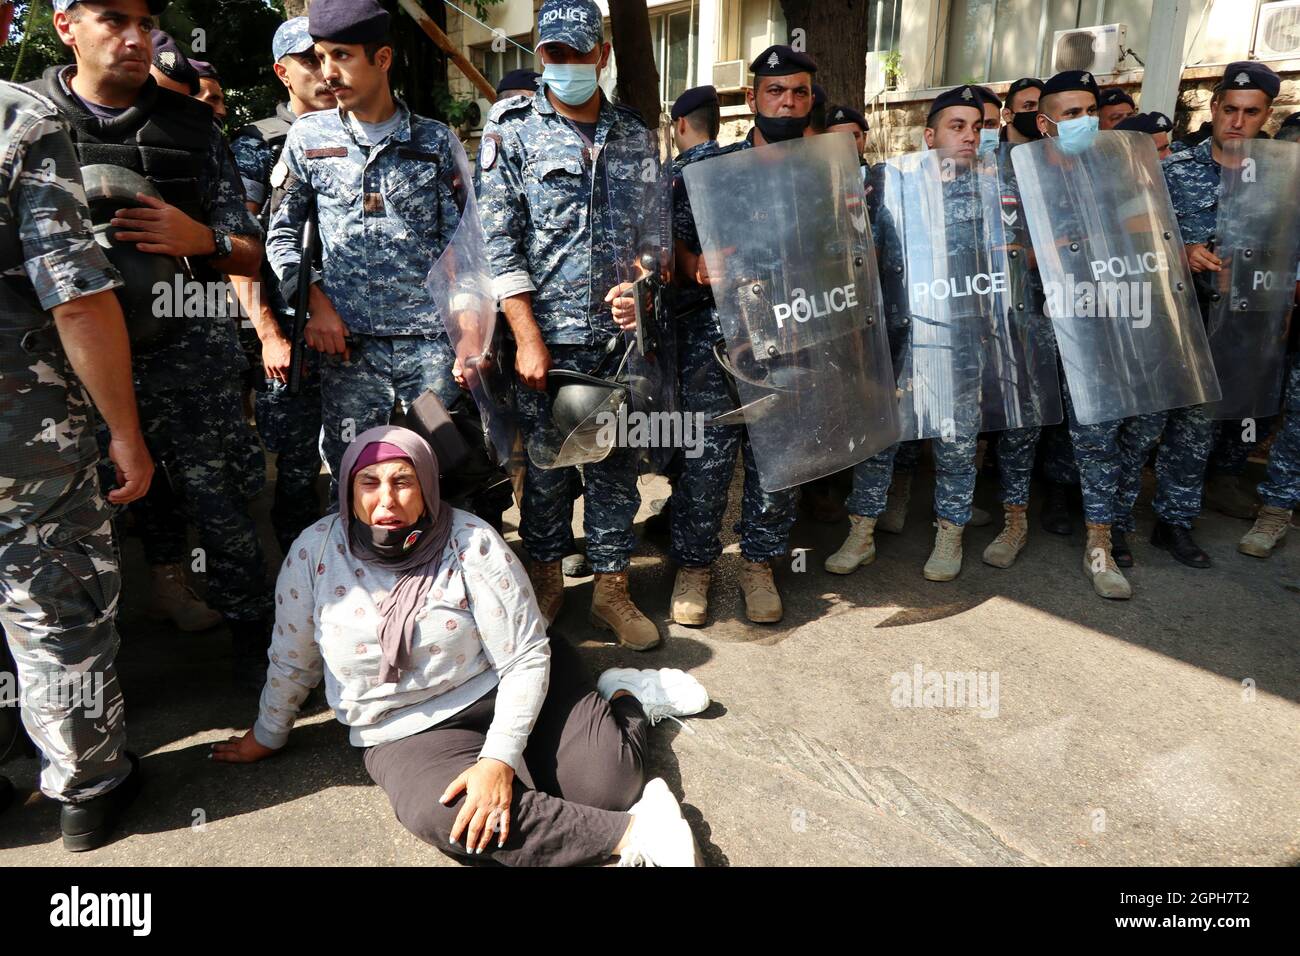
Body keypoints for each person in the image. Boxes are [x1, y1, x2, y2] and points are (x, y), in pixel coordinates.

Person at [211, 426, 710, 867]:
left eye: (403, 482)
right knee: (451, 818)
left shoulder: (471, 541)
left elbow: (523, 656)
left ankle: (627, 699)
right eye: (369, 482)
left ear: (427, 485)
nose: (386, 500)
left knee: (611, 785)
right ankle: (634, 835)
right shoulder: (314, 552)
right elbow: (293, 657)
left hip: (504, 682)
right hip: (402, 727)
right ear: (346, 487)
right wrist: (268, 733)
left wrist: (497, 759)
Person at [41, 0, 274, 673]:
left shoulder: (194, 128)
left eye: (145, 23)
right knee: (77, 532)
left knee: (226, 512)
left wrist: (201, 240)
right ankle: (94, 686)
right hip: (69, 376)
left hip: (189, 358)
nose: (136, 38)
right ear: (65, 27)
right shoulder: (28, 123)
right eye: (114, 20)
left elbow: (251, 253)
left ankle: (260, 660)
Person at [1, 63, 155, 849]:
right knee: (54, 605)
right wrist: (123, 430)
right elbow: (78, 294)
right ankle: (87, 787)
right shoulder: (17, 121)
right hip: (22, 432)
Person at [476, 0, 660, 648]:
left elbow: (654, 235)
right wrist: (525, 335)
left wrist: (641, 285)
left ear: (602, 56)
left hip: (618, 345)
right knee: (549, 476)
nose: (563, 64)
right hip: (546, 348)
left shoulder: (635, 135)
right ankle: (547, 583)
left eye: (577, 53)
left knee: (615, 469)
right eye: (551, 53)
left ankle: (612, 591)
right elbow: (500, 243)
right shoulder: (512, 129)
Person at [266, 0, 463, 493]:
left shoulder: (435, 142)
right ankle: (352, 570)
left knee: (440, 470)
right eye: (319, 58)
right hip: (348, 347)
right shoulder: (310, 139)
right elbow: (282, 235)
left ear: (381, 59)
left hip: (430, 346)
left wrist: (470, 339)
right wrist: (314, 305)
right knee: (354, 473)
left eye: (342, 56)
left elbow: (464, 249)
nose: (328, 73)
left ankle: (439, 568)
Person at [667, 46, 814, 625]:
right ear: (752, 99)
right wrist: (695, 265)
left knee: (778, 460)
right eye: (776, 91)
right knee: (705, 463)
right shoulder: (711, 172)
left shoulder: (823, 172)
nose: (788, 102)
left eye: (799, 92)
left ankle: (760, 563)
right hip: (717, 341)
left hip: (796, 336)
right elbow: (674, 250)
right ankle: (695, 568)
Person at [1118, 61, 1283, 569]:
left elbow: (1285, 250)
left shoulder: (1277, 183)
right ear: (1213, 109)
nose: (1237, 121)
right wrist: (1181, 252)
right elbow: (1126, 231)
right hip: (1169, 320)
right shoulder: (1172, 171)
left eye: (1250, 113)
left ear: (1265, 116)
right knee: (1143, 427)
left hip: (1231, 325)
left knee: (1197, 429)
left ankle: (1175, 523)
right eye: (1228, 109)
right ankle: (1114, 523)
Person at [228, 17, 336, 555]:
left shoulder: (361, 130)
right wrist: (270, 334)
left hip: (359, 333)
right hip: (291, 339)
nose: (325, 70)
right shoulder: (257, 144)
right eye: (309, 60)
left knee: (368, 456)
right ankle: (300, 579)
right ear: (282, 73)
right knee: (296, 471)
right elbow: (240, 250)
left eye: (329, 55)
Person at [1001, 76, 1043, 145]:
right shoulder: (992, 150)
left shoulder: (1052, 149)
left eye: (1041, 106)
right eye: (1028, 106)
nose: (1038, 110)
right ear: (1007, 115)